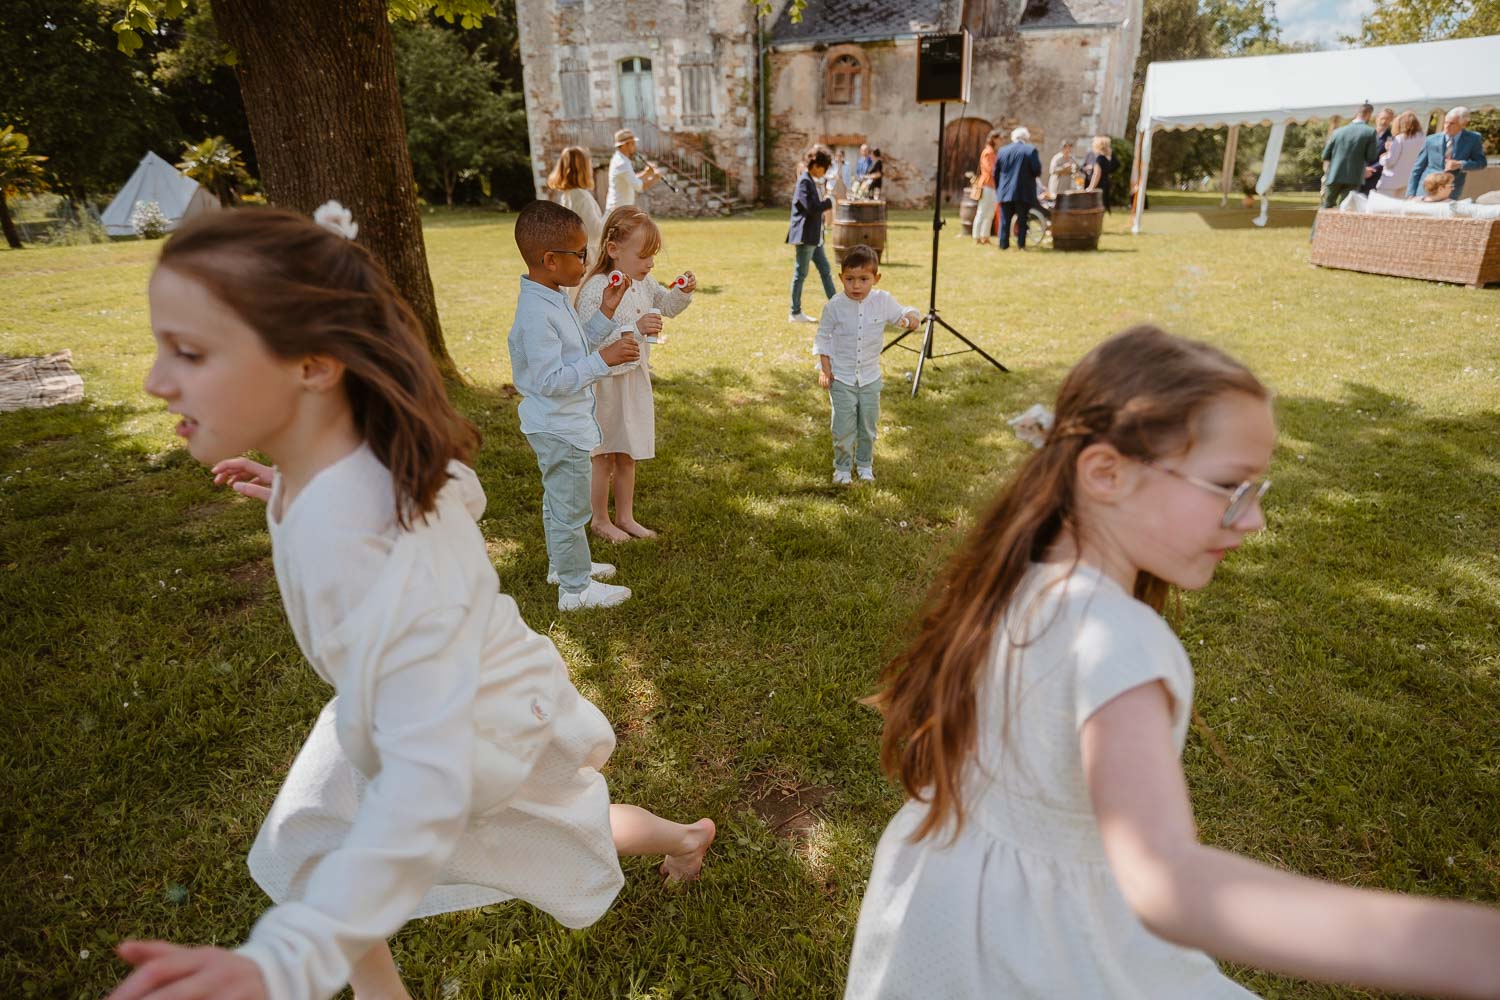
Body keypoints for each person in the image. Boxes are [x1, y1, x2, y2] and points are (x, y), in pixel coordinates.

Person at [109, 206, 715, 1000]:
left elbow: (425, 780)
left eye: (189, 352)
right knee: (318, 846)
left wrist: (286, 961)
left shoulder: (354, 530)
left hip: (467, 725)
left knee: (555, 830)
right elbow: (459, 491)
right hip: (401, 706)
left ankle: (687, 835)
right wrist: (286, 482)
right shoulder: (355, 458)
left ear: (314, 365)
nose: (158, 379)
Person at [843, 324, 1500, 999]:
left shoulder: (1015, 577)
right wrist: (1463, 946)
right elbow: (1166, 882)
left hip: (950, 910)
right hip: (1045, 950)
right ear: (1105, 473)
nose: (1253, 523)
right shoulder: (1118, 642)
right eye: (1230, 487)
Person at [507, 200, 640, 610]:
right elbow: (551, 380)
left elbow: (575, 345)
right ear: (550, 260)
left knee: (557, 502)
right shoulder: (535, 312)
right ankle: (575, 589)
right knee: (570, 509)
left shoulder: (552, 295)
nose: (586, 261)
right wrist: (605, 359)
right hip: (558, 428)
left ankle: (562, 565)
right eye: (580, 254)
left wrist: (606, 311)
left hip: (563, 424)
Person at [574, 207, 695, 541]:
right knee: (603, 454)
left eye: (652, 256)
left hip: (633, 379)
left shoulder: (644, 283)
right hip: (605, 383)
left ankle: (625, 517)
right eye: (643, 255)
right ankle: (600, 519)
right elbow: (590, 340)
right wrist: (636, 329)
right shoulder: (597, 288)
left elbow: (667, 306)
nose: (650, 264)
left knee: (628, 452)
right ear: (614, 250)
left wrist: (682, 292)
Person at [812, 244, 919, 485]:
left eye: (863, 279)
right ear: (841, 278)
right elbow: (823, 337)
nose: (856, 285)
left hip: (870, 378)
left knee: (868, 426)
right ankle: (841, 467)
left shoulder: (883, 301)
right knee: (843, 427)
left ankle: (864, 465)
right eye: (849, 279)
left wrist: (911, 318)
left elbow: (904, 313)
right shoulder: (834, 306)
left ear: (876, 278)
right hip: (841, 377)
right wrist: (825, 369)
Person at [787, 145, 838, 324]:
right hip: (806, 236)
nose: (824, 172)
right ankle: (795, 312)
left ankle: (838, 308)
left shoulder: (811, 181)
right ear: (816, 165)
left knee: (825, 270)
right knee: (800, 273)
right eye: (824, 168)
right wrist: (828, 203)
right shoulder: (804, 182)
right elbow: (811, 207)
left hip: (815, 237)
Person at [1407, 107, 1487, 200]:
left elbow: (1481, 163)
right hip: (1427, 188)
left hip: (1451, 189)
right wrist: (1411, 193)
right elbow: (1418, 168)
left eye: (1451, 123)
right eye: (1445, 122)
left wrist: (1460, 164)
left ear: (1463, 124)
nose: (1446, 126)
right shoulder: (1431, 140)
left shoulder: (1473, 139)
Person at [546, 146, 604, 269]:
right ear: (583, 168)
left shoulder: (568, 194)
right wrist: (612, 212)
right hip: (587, 261)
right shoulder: (581, 196)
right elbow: (595, 232)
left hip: (573, 258)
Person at [1320, 104, 1380, 219]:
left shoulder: (1338, 132)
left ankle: (1317, 233)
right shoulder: (1370, 132)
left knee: (1326, 206)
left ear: (1357, 113)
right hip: (1354, 177)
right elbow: (1371, 156)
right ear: (1369, 115)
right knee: (1345, 209)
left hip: (1334, 175)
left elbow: (1325, 155)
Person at [993, 126, 1042, 251]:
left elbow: (996, 173)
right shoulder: (1030, 150)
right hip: (1023, 192)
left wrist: (999, 188)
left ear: (1013, 137)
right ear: (1026, 138)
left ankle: (1003, 245)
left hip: (1005, 192)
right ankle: (1021, 245)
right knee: (1022, 219)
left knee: (1005, 220)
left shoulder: (1003, 151)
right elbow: (1037, 170)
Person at [605, 129, 660, 215]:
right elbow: (639, 187)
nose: (635, 146)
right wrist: (655, 178)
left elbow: (631, 179)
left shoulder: (620, 159)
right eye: (632, 143)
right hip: (618, 211)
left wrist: (647, 173)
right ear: (624, 145)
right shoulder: (622, 163)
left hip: (618, 209)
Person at [1375, 111, 1425, 197]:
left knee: (1383, 207)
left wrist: (1382, 158)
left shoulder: (1400, 138)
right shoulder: (1423, 138)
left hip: (1391, 180)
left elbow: (1391, 161)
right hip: (1408, 180)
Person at [971, 130, 1002, 244]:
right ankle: (976, 236)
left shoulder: (993, 152)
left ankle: (985, 236)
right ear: (994, 139)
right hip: (987, 185)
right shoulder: (988, 152)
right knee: (982, 211)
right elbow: (989, 169)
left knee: (990, 213)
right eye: (999, 139)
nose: (1000, 141)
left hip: (993, 186)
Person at [1082, 135, 1117, 210]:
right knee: (1101, 206)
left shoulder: (1099, 158)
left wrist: (1091, 188)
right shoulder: (1106, 158)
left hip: (1099, 185)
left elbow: (1097, 174)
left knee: (1095, 207)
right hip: (1105, 185)